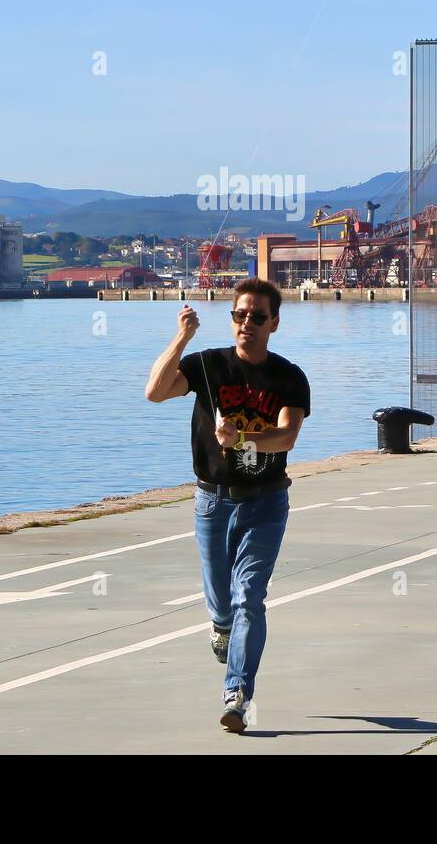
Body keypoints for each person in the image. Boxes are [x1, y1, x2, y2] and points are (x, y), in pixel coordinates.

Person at [144, 277, 310, 733]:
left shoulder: (288, 377)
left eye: (258, 317)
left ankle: (236, 694)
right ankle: (220, 628)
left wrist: (242, 438)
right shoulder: (207, 365)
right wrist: (182, 336)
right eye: (240, 315)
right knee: (221, 602)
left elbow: (286, 436)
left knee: (249, 598)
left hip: (266, 503)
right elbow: (155, 392)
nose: (247, 324)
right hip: (212, 501)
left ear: (274, 323)